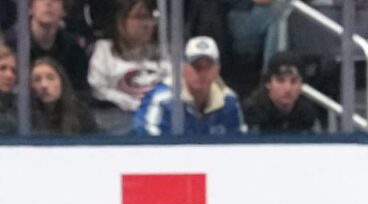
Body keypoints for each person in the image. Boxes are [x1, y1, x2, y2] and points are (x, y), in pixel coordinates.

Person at [134, 35, 245, 136]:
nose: (202, 73)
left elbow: (239, 142)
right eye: (196, 66)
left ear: (217, 70)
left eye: (208, 66)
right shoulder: (161, 99)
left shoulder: (229, 100)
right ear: (184, 68)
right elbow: (146, 139)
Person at [87, 0, 169, 133]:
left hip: (158, 117)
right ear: (120, 22)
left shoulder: (163, 53)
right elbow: (98, 89)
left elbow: (174, 86)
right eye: (140, 17)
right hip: (118, 121)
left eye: (151, 18)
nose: (148, 24)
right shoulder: (103, 50)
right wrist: (133, 104)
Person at [3, 0, 90, 97]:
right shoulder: (9, 44)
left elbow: (81, 92)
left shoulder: (74, 50)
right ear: (30, 8)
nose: (48, 3)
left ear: (63, 10)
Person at [242, 50, 318, 134]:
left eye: (294, 81)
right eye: (280, 81)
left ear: (301, 85)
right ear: (268, 83)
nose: (288, 89)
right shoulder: (250, 112)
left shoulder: (307, 113)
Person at [29, 56, 97, 134]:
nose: (44, 85)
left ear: (62, 82)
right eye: (37, 80)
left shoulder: (81, 114)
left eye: (50, 78)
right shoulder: (23, 116)